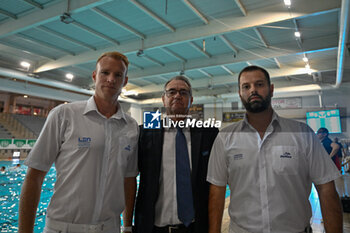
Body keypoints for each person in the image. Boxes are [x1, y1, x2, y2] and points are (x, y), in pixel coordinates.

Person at [207, 66, 342, 233]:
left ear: (271, 89)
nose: (253, 90)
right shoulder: (225, 138)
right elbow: (217, 192)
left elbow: (326, 187)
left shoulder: (302, 133)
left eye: (259, 84)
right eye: (246, 87)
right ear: (240, 93)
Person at [18, 51, 139, 233]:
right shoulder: (64, 115)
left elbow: (129, 179)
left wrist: (127, 226)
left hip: (110, 227)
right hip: (63, 227)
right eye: (105, 73)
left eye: (118, 75)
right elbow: (34, 175)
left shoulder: (131, 126)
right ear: (94, 76)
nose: (111, 79)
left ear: (125, 81)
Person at [134, 76, 219, 233]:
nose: (177, 96)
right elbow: (129, 175)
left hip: (195, 227)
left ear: (191, 99)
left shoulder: (208, 134)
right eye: (171, 92)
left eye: (183, 92)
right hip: (154, 228)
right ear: (163, 99)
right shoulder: (144, 132)